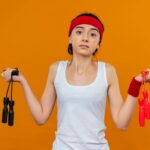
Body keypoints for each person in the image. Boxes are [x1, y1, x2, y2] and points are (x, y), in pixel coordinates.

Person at [1, 13, 150, 150]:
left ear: (98, 43)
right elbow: (40, 117)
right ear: (70, 38)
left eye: (93, 34)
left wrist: (136, 83)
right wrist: (22, 81)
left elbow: (122, 124)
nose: (85, 38)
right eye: (79, 32)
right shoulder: (56, 69)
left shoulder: (108, 71)